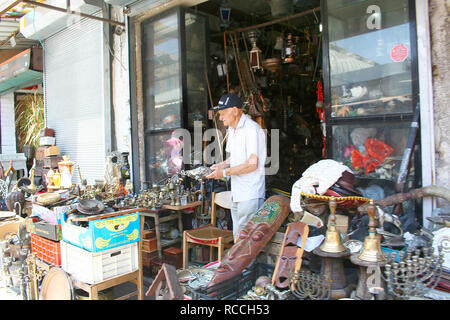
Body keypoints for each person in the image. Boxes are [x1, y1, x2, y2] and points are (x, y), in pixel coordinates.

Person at [206, 93, 267, 241]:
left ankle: (246, 265)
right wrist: (222, 164)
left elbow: (252, 163)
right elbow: (236, 158)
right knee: (238, 235)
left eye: (222, 113)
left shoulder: (252, 129)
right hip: (237, 191)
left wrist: (225, 172)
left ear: (234, 110)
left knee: (247, 238)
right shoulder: (233, 130)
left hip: (250, 193)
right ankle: (238, 264)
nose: (220, 118)